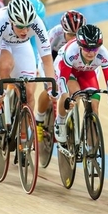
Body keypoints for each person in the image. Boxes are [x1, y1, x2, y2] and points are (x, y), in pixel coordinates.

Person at [0, 0, 57, 135]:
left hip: (20, 44)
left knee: (29, 93)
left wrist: (51, 86)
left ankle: (22, 137)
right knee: (6, 64)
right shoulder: (1, 21)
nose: (25, 31)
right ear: (11, 20)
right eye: (20, 26)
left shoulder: (37, 23)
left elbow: (47, 59)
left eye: (28, 26)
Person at [53, 24, 108, 147]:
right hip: (68, 70)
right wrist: (67, 98)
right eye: (87, 49)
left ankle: (91, 146)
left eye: (94, 49)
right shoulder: (71, 52)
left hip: (87, 72)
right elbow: (63, 79)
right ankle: (60, 121)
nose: (91, 53)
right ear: (80, 46)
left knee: (94, 104)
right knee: (75, 92)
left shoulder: (103, 54)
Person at [34, 10, 86, 138]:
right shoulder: (54, 34)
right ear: (63, 31)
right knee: (51, 89)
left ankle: (70, 119)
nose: (74, 39)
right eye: (71, 35)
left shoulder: (82, 39)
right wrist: (48, 81)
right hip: (51, 58)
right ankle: (39, 120)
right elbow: (43, 58)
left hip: (69, 60)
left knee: (75, 91)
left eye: (77, 35)